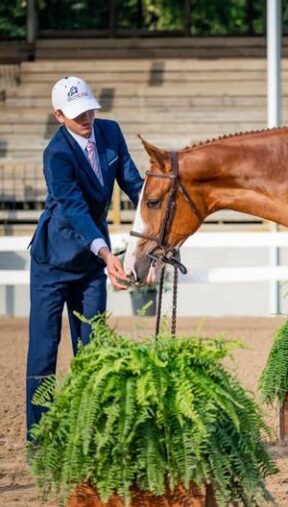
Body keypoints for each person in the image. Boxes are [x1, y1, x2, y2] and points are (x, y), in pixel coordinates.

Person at [26, 76, 144, 439]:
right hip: (54, 261)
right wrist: (107, 252)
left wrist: (157, 212)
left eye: (89, 108)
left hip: (92, 265)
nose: (87, 117)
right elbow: (74, 209)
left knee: (93, 347)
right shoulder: (56, 154)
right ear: (59, 115)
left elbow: (133, 183)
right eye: (77, 113)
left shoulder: (110, 132)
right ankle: (40, 435)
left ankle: (92, 430)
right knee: (45, 348)